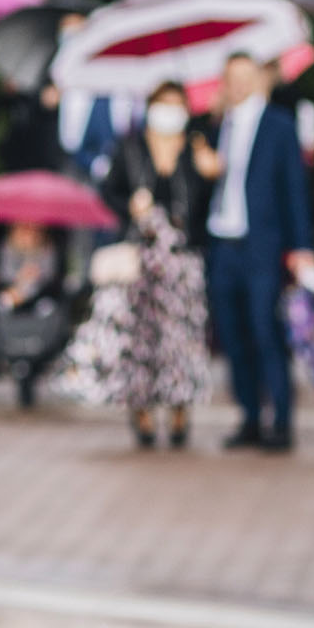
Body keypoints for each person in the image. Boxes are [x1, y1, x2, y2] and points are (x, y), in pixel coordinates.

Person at [92, 81, 214, 447]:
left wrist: (207, 172)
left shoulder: (195, 148)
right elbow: (108, 192)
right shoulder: (130, 147)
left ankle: (180, 410)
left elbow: (204, 206)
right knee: (140, 339)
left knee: (181, 340)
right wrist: (130, 205)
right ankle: (141, 410)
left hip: (181, 260)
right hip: (140, 257)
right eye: (164, 104)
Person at [205, 53, 314, 452]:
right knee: (231, 334)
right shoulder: (215, 126)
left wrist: (302, 246)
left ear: (257, 79)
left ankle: (281, 420)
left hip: (261, 244)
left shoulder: (279, 125)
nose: (237, 84)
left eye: (245, 76)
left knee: (265, 330)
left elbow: (295, 188)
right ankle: (250, 416)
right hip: (222, 242)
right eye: (231, 76)